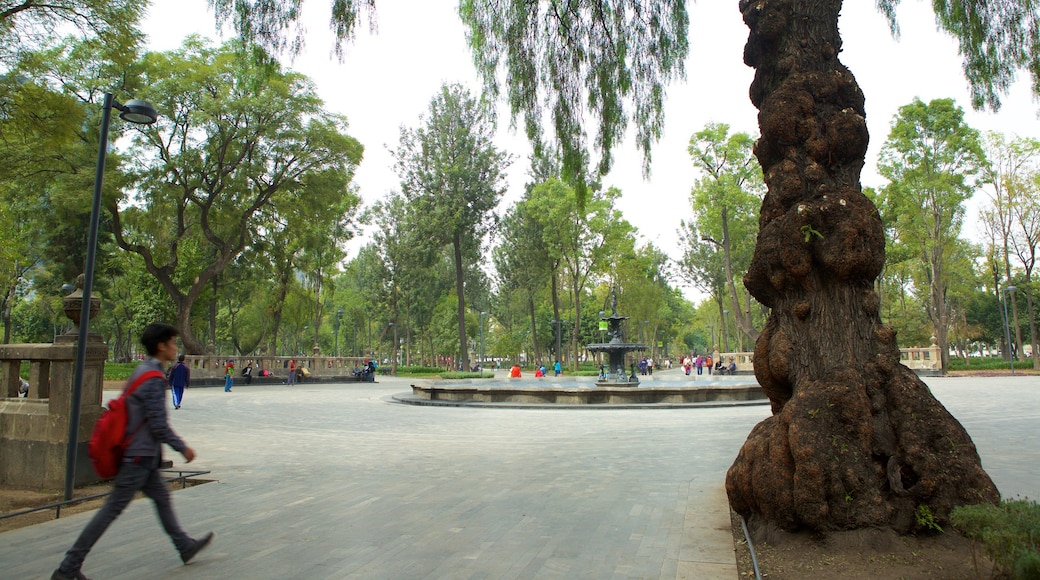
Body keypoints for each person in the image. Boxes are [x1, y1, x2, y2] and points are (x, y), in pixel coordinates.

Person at [51, 323, 213, 580]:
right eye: (172, 342)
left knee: (161, 499)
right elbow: (157, 424)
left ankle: (184, 544)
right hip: (138, 457)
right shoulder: (153, 379)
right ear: (161, 346)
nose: (175, 347)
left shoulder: (143, 371)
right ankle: (68, 566)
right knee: (110, 510)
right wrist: (183, 448)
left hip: (142, 456)